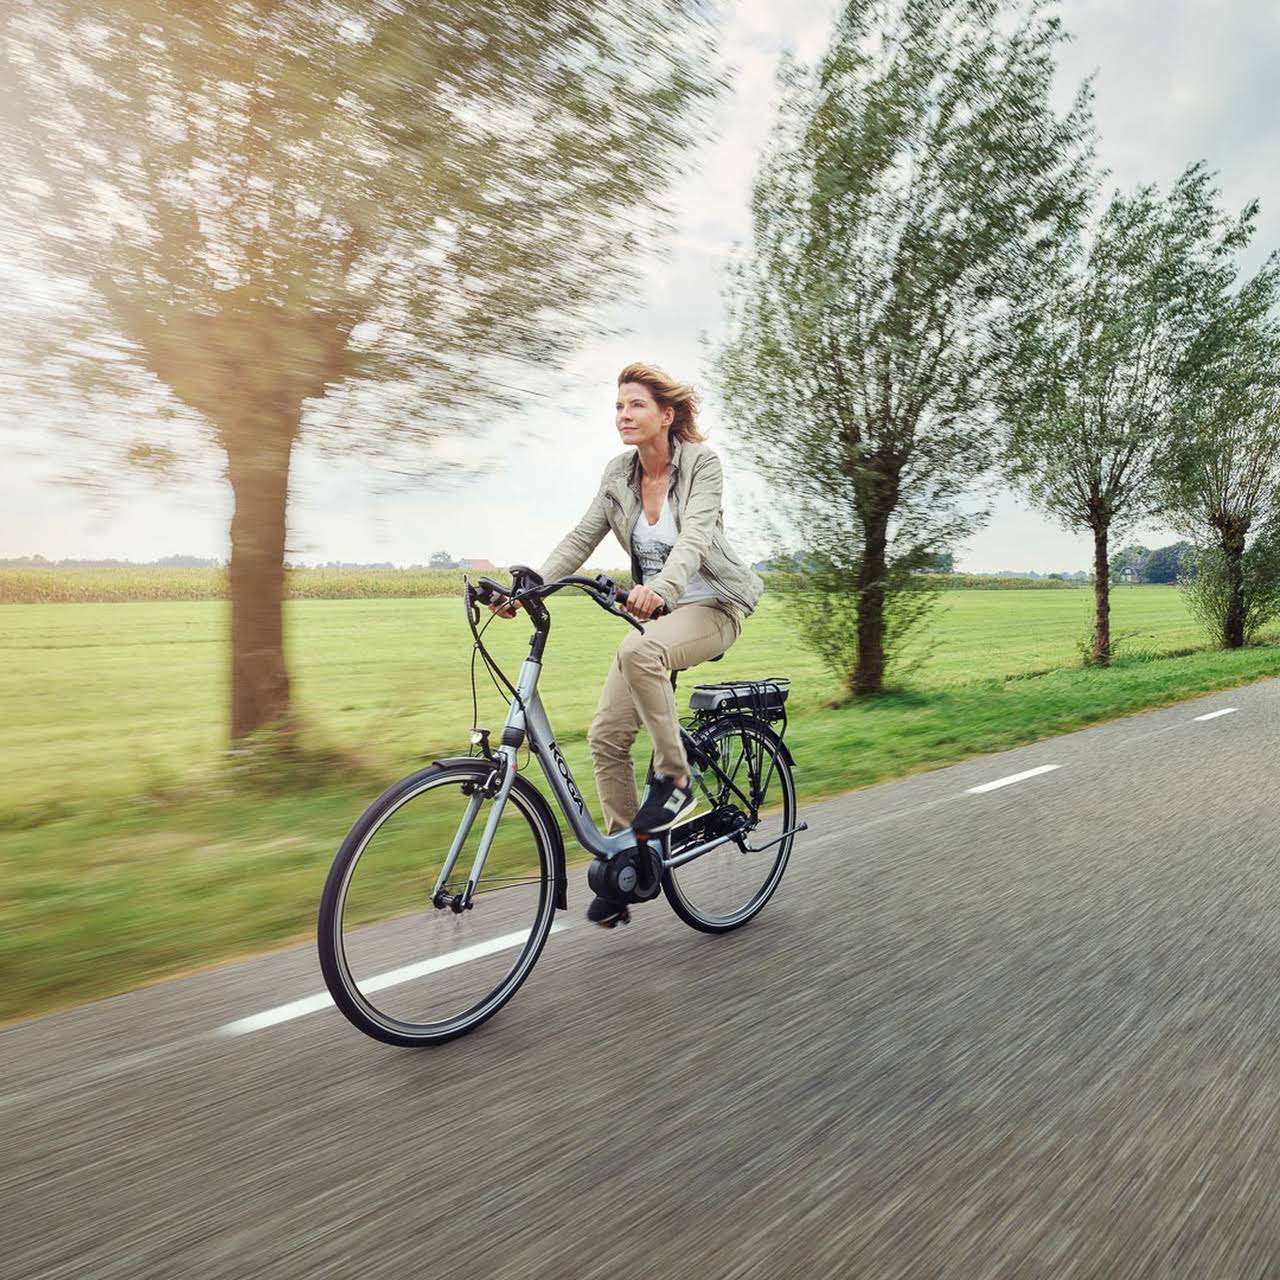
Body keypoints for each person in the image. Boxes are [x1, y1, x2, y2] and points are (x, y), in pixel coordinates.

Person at [491, 362, 764, 926]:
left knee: (639, 651)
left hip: (713, 605)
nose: (623, 415)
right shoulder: (618, 474)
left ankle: (676, 776)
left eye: (635, 405)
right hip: (658, 615)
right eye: (618, 406)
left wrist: (660, 590)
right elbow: (582, 535)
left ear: (666, 415)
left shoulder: (702, 466)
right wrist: (529, 585)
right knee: (605, 737)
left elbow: (693, 539)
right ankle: (628, 857)